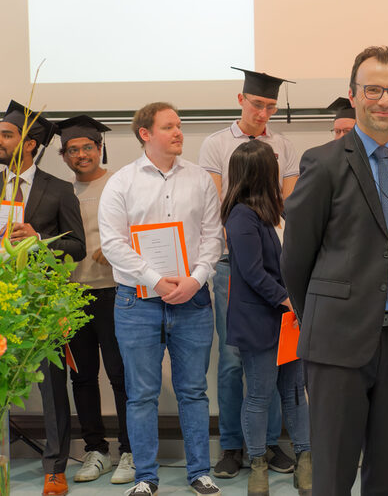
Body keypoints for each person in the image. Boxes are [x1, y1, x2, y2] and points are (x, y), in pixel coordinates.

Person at [281, 45, 388, 495]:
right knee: (333, 474)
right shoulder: (323, 162)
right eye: (373, 90)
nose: (384, 100)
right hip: (337, 343)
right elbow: (295, 258)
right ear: (353, 94)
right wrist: (320, 318)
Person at [98, 102, 223, 496]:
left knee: (193, 391)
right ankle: (145, 478)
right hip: (138, 302)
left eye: (179, 126)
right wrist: (156, 280)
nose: (178, 132)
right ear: (145, 133)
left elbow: (213, 237)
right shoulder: (121, 182)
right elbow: (112, 244)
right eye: (169, 126)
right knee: (141, 395)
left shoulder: (200, 179)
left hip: (192, 299)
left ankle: (199, 472)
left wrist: (196, 280)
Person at [199, 67, 300, 478]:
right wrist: (246, 239)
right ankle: (231, 446)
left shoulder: (283, 146)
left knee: (275, 359)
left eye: (271, 106)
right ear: (241, 99)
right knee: (232, 360)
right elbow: (215, 203)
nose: (263, 113)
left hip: (276, 266)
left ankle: (268, 443)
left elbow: (287, 204)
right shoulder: (216, 144)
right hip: (232, 265)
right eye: (257, 104)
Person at [0, 100, 86, 496]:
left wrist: (39, 240)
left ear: (30, 143)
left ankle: (55, 468)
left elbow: (78, 246)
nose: (0, 141)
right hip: (2, 297)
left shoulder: (59, 189)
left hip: (40, 302)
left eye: (7, 135)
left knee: (51, 387)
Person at [221, 139, 312, 495]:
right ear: (262, 171)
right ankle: (258, 466)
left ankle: (305, 460)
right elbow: (252, 271)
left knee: (295, 393)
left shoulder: (279, 212)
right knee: (259, 395)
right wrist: (287, 300)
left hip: (289, 320)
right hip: (261, 320)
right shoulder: (241, 215)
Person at [56, 115, 134, 485]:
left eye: (88, 147)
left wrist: (119, 247)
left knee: (121, 375)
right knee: (83, 376)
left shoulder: (120, 183)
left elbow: (142, 227)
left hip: (116, 292)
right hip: (73, 295)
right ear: (64, 156)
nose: (81, 155)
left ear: (100, 148)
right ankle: (95, 450)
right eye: (73, 150)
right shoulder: (60, 191)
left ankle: (130, 451)